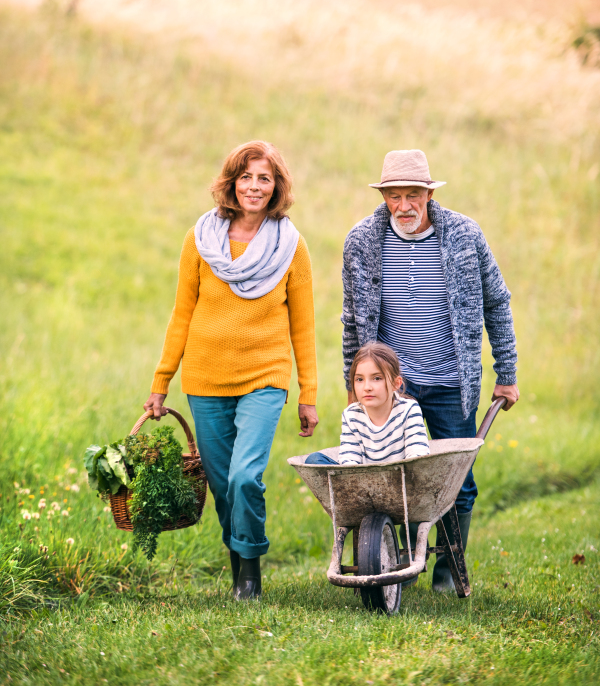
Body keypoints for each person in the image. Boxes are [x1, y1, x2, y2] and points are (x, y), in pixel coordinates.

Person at [144, 141, 319, 600]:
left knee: (245, 475)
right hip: (204, 379)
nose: (254, 187)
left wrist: (308, 394)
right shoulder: (198, 240)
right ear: (231, 183)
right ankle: (237, 558)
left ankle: (250, 571)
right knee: (222, 484)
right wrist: (161, 383)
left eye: (264, 178)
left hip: (266, 376)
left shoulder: (291, 247)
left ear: (276, 186)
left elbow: (303, 328)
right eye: (246, 177)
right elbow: (181, 315)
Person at [341, 149, 518, 592]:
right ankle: (398, 562)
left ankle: (445, 571)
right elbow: (352, 320)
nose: (404, 205)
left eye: (413, 195)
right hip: (392, 387)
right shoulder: (361, 242)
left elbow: (497, 302)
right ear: (383, 197)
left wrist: (507, 372)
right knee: (389, 480)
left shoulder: (463, 234)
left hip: (449, 381)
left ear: (428, 194)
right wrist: (355, 381)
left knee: (457, 481)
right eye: (395, 196)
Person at [305, 342, 429, 466]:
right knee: (314, 460)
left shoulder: (408, 410)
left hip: (402, 478)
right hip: (363, 480)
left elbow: (417, 456)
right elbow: (349, 459)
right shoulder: (352, 415)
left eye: (377, 378)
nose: (367, 387)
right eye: (359, 379)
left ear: (396, 383)